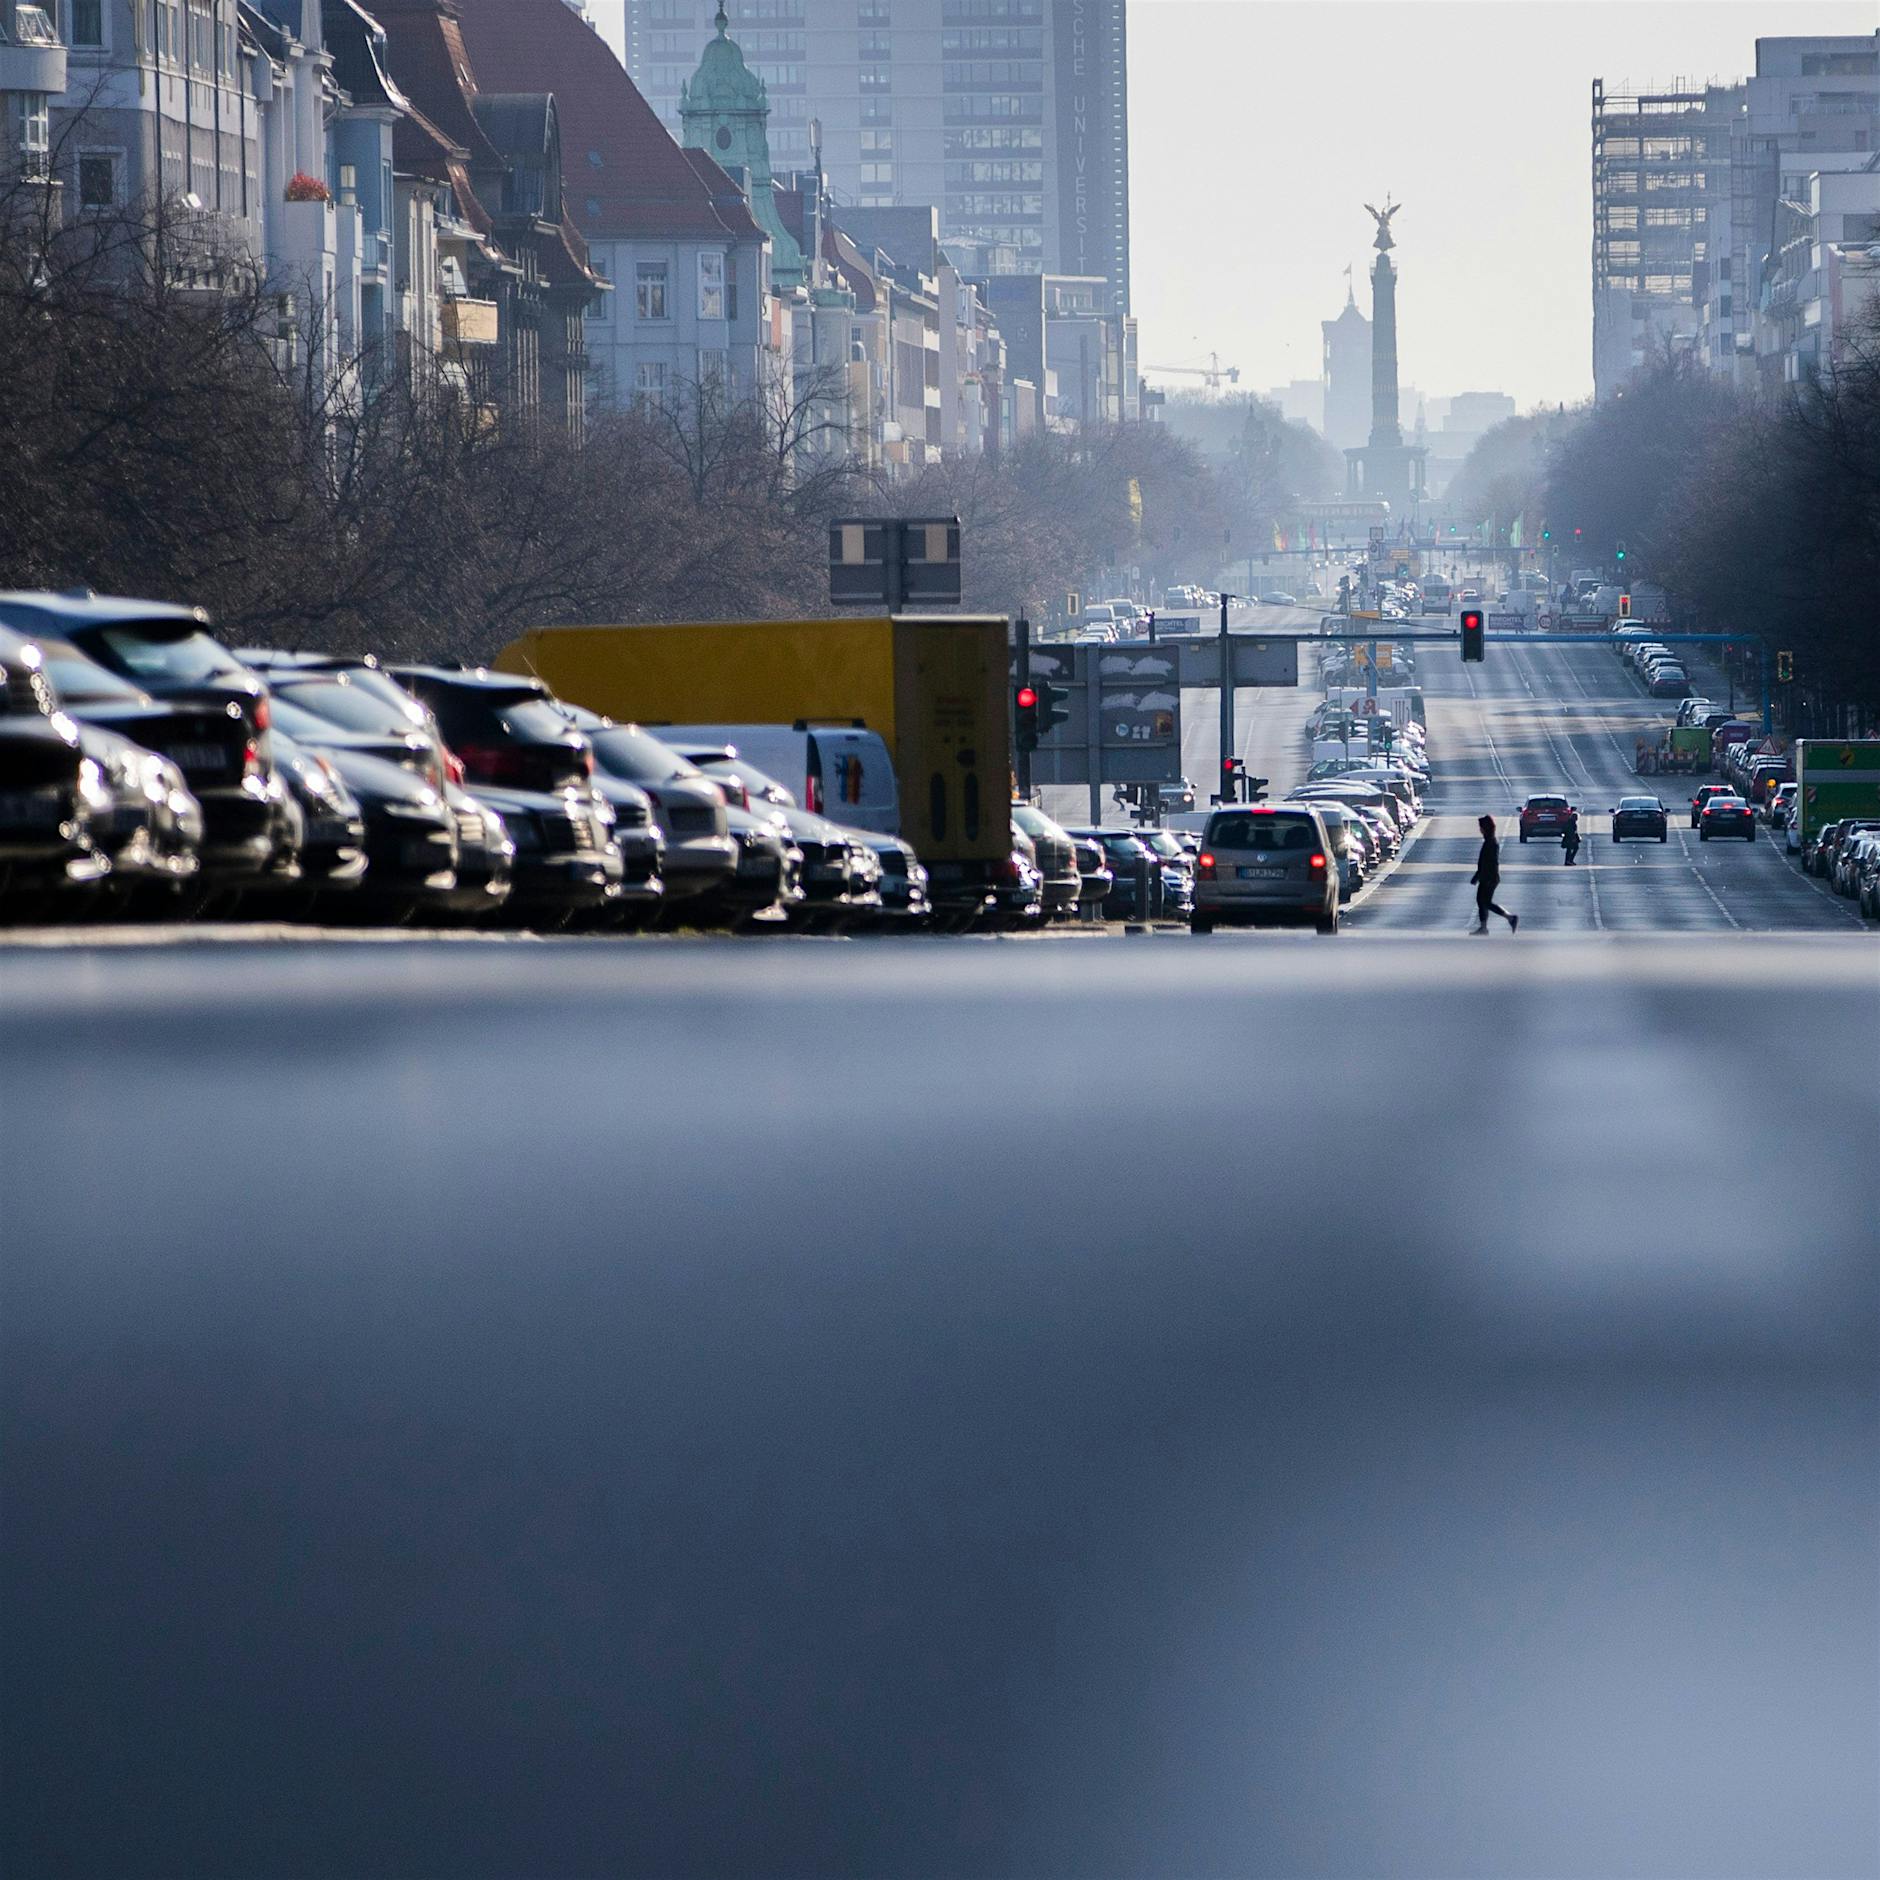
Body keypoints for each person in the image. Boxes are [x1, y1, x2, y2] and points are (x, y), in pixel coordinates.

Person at [1471, 814, 1518, 933]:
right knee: (1483, 901)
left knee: (1484, 901)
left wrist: (1483, 877)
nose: (1480, 829)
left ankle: (1508, 919)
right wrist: (1477, 876)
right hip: (1488, 876)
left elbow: (1490, 862)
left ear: (1485, 828)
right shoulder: (1489, 841)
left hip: (1489, 877)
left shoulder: (1490, 843)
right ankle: (1485, 926)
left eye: (1481, 827)